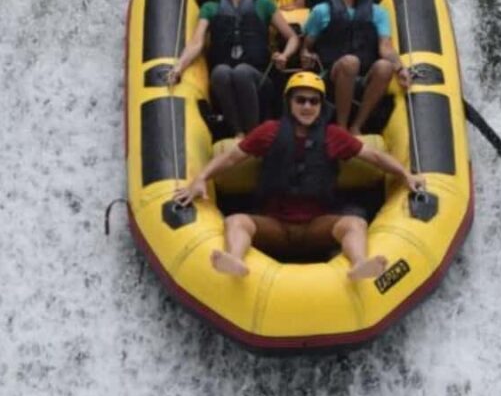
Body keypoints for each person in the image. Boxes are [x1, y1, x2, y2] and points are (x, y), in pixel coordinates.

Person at [172, 72, 424, 279]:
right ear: (289, 103)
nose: (307, 106)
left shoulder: (333, 135)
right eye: (300, 100)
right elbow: (231, 157)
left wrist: (405, 174)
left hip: (316, 227)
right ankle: (235, 260)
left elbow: (375, 157)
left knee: (355, 224)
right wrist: (200, 178)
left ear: (321, 106)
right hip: (275, 226)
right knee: (236, 221)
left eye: (313, 101)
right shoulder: (269, 132)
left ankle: (359, 264)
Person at [168, 0, 299, 138]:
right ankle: (237, 132)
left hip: (260, 80)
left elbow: (292, 37)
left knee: (242, 72)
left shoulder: (263, 4)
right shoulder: (210, 8)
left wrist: (284, 55)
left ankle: (254, 133)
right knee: (220, 71)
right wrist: (178, 67)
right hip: (227, 81)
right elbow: (196, 42)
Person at [300, 0, 410, 135]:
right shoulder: (322, 11)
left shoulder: (378, 13)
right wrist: (305, 53)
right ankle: (341, 127)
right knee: (350, 62)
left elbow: (386, 47)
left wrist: (400, 68)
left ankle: (357, 125)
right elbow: (306, 45)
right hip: (330, 75)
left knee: (384, 67)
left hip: (362, 77)